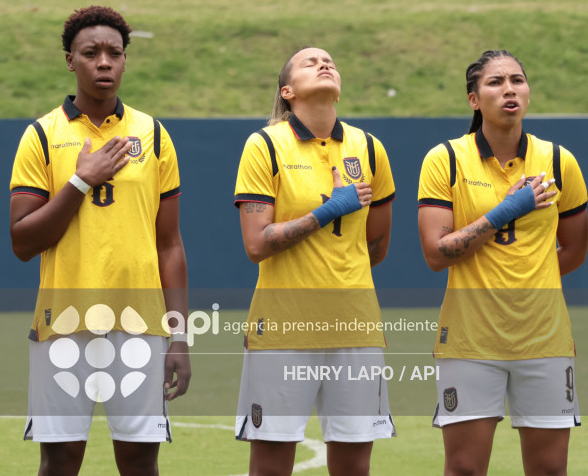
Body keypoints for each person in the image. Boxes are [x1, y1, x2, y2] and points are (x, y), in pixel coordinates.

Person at [9, 6, 190, 476]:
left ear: (126, 61)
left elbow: (169, 245)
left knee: (139, 460)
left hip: (142, 327)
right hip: (62, 325)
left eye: (115, 53)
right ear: (71, 61)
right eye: (91, 53)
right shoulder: (42, 135)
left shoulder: (152, 134)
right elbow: (23, 241)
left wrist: (180, 338)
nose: (104, 62)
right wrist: (80, 182)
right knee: (61, 460)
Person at [418, 50, 587, 476]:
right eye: (495, 82)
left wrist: (528, 278)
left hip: (545, 342)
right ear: (473, 99)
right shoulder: (446, 159)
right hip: (470, 343)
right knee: (465, 470)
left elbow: (573, 249)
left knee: (550, 471)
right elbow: (436, 253)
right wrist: (504, 212)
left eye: (517, 80)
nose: (509, 89)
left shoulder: (559, 162)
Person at [233, 47, 396, 476]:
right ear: (287, 91)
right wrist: (325, 213)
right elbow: (256, 244)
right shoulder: (264, 144)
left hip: (356, 326)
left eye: (330, 61)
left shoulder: (370, 148)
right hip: (283, 327)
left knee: (354, 465)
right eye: (310, 62)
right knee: (270, 463)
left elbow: (376, 245)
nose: (325, 64)